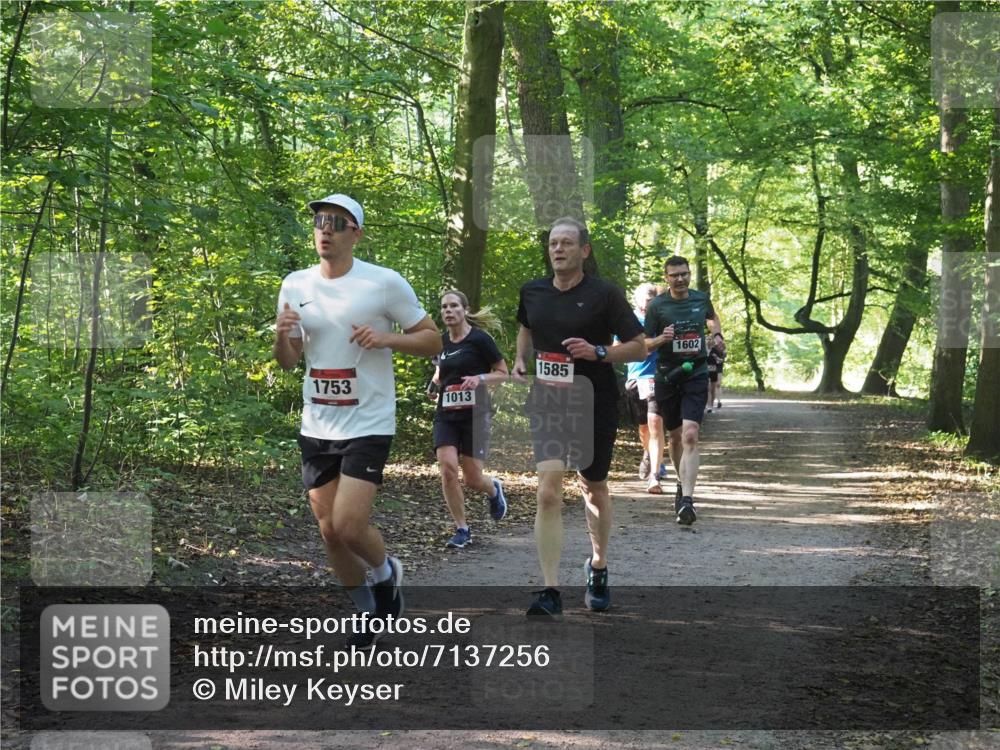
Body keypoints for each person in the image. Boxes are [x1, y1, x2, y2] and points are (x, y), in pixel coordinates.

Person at [274, 193, 441, 648]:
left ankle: (387, 573)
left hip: (368, 420)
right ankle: (367, 613)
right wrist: (281, 337)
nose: (324, 229)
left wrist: (387, 338)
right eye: (319, 222)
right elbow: (289, 361)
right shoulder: (295, 284)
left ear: (356, 234)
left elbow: (432, 340)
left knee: (349, 525)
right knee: (329, 532)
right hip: (318, 423)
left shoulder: (383, 283)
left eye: (336, 223)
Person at [513, 217, 645, 617]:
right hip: (549, 402)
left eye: (567, 243)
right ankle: (550, 589)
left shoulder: (605, 294)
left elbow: (638, 347)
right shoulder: (533, 291)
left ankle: (598, 565)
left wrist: (600, 353)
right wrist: (521, 359)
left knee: (593, 486)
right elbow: (525, 327)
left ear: (584, 251)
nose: (558, 249)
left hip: (594, 400)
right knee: (548, 491)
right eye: (553, 243)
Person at [644, 255, 724, 526]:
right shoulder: (657, 306)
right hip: (668, 376)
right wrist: (661, 339)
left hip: (696, 372)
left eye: (684, 274)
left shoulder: (701, 299)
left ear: (689, 275)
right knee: (675, 437)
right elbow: (644, 343)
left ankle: (688, 499)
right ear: (666, 278)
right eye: (674, 275)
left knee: (691, 434)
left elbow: (712, 319)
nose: (680, 279)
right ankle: (681, 483)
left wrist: (716, 336)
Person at [429, 290, 510, 549]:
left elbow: (502, 373)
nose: (448, 311)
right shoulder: (440, 342)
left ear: (465, 309)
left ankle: (493, 489)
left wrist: (480, 379)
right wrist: (433, 385)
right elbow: (441, 371)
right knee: (448, 469)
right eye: (444, 307)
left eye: (453, 306)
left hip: (475, 414)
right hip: (447, 415)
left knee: (473, 479)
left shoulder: (479, 340)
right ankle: (462, 528)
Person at [624, 282, 668, 494]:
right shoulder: (627, 321)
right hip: (635, 378)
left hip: (658, 377)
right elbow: (616, 348)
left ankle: (655, 476)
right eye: (644, 297)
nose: (647, 300)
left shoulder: (662, 319)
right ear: (636, 299)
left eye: (651, 296)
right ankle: (648, 453)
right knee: (643, 427)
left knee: (655, 422)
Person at [706, 335, 726, 413]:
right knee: (707, 388)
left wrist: (717, 358)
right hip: (705, 371)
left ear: (712, 341)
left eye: (710, 339)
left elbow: (720, 361)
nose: (708, 340)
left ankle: (711, 405)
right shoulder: (702, 350)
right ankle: (708, 406)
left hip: (714, 370)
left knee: (713, 389)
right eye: (707, 339)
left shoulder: (715, 350)